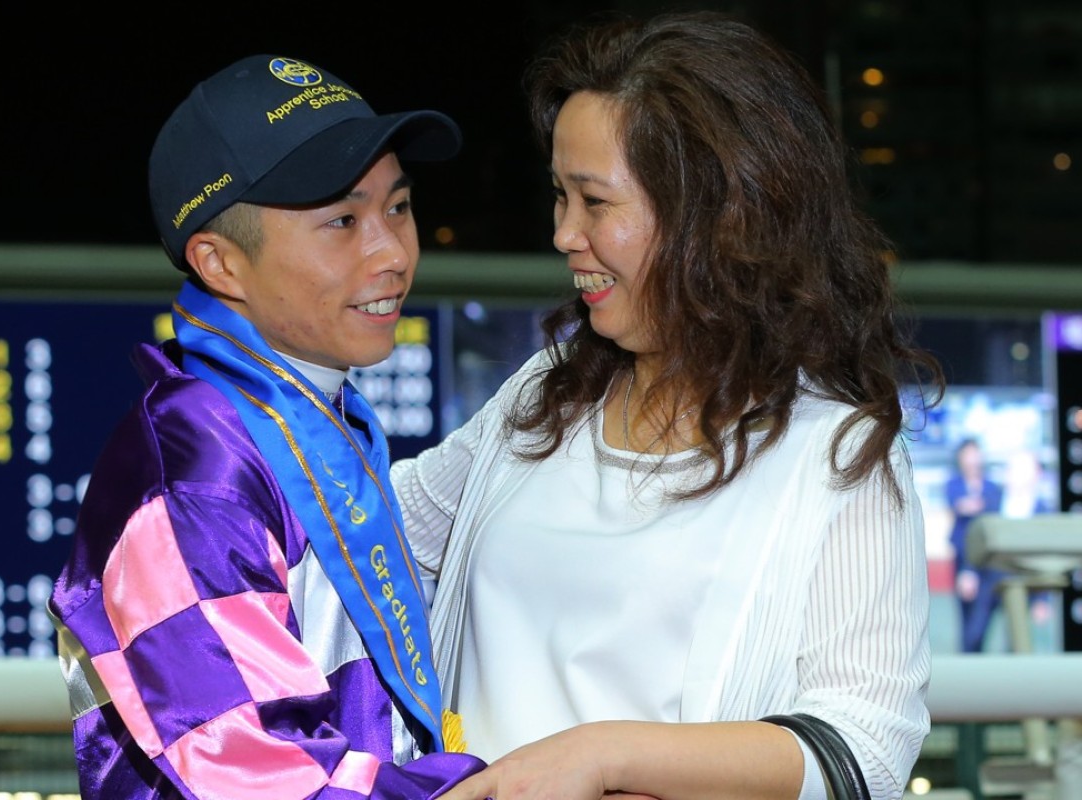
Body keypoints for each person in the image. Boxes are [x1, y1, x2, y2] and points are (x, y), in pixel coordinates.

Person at [392, 10, 945, 800]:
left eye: (594, 202)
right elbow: (367, 541)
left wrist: (603, 755)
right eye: (559, 196)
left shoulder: (837, 455)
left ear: (717, 216)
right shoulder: (542, 395)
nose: (563, 234)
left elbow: (866, 749)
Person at [48, 54, 486, 798]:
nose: (392, 253)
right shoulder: (196, 473)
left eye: (399, 207)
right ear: (219, 263)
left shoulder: (303, 412)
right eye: (343, 221)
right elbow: (258, 777)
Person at [946, 437, 1005, 652]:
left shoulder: (992, 487)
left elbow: (991, 511)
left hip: (987, 563)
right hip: (962, 557)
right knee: (965, 615)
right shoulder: (953, 483)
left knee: (981, 619)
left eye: (974, 454)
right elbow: (959, 506)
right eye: (967, 454)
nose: (971, 459)